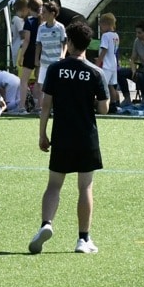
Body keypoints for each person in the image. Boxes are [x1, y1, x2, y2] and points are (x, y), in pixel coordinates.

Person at [29, 20, 109, 255]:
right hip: (86, 136)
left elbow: (45, 106)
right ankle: (83, 239)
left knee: (54, 185)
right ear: (87, 45)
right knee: (85, 187)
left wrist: (42, 134)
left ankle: (46, 224)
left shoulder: (55, 69)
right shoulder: (95, 72)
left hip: (61, 135)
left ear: (70, 42)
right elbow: (104, 107)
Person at [33, 1, 66, 111]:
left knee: (57, 86)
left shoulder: (60, 27)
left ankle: (56, 107)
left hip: (56, 62)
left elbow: (64, 43)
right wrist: (36, 59)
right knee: (41, 85)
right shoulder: (41, 28)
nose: (43, 15)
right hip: (44, 61)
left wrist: (63, 55)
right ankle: (42, 108)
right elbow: (38, 44)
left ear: (52, 13)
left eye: (45, 12)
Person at [116, 20, 144, 103]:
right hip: (141, 69)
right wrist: (133, 69)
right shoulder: (137, 41)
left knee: (142, 72)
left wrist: (143, 68)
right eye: (136, 33)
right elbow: (133, 58)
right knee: (119, 72)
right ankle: (127, 98)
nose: (137, 35)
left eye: (140, 33)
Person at [17, 0, 42, 111]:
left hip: (30, 53)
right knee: (39, 81)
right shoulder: (44, 21)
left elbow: (27, 40)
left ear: (29, 8)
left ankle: (22, 106)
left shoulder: (30, 21)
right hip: (41, 53)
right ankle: (38, 106)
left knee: (24, 81)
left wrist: (21, 55)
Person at [96, 13, 123, 107]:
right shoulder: (116, 35)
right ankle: (115, 104)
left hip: (106, 65)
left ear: (106, 24)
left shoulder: (106, 36)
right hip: (113, 64)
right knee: (112, 85)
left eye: (101, 25)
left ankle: (103, 104)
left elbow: (104, 50)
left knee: (103, 85)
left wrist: (98, 61)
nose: (100, 28)